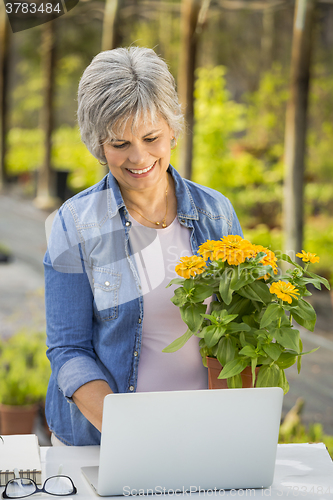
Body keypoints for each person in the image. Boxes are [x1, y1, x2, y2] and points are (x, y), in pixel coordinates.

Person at [44, 46, 243, 446]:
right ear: (98, 144)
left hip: (200, 433)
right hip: (106, 442)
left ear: (172, 129)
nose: (139, 158)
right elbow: (69, 351)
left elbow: (236, 331)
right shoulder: (77, 223)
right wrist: (132, 438)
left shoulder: (216, 214)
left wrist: (223, 427)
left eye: (151, 137)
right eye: (119, 144)